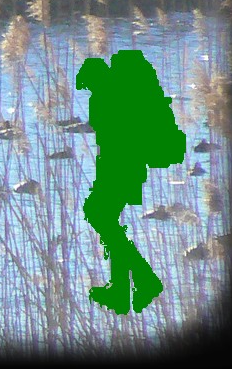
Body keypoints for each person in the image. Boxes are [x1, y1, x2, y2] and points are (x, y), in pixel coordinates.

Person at [75, 50, 185, 314]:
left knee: (100, 217)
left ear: (95, 79)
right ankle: (122, 290)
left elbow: (114, 143)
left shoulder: (105, 99)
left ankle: (143, 280)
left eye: (88, 84)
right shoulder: (114, 94)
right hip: (124, 171)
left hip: (120, 171)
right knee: (107, 222)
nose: (87, 89)